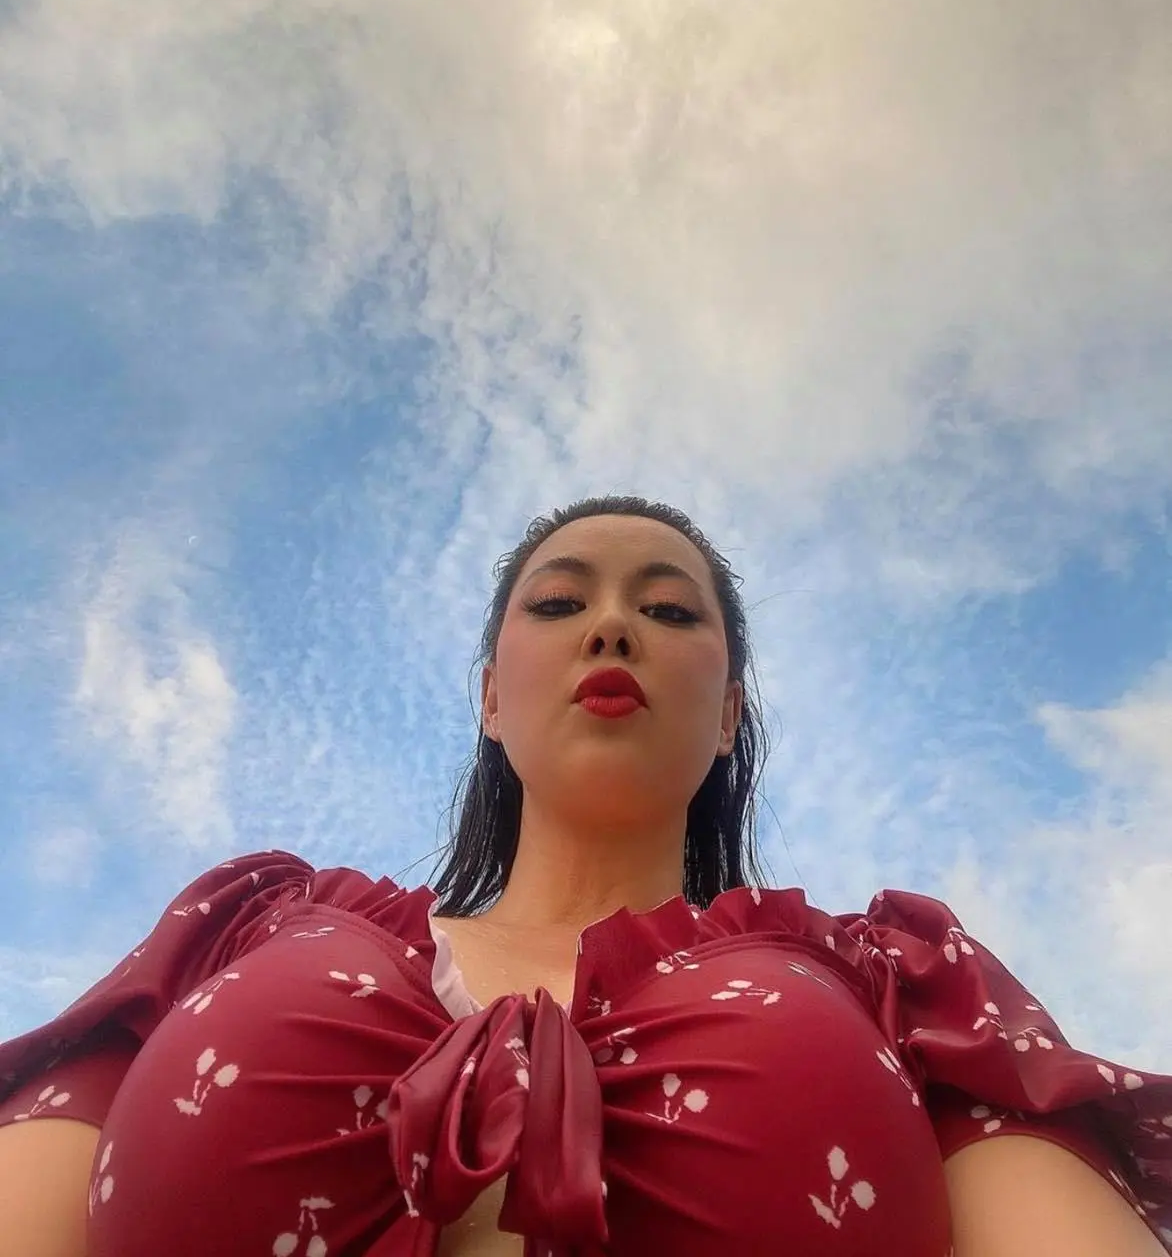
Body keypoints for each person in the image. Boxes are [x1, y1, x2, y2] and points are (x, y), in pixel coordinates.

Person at [1, 494, 1170, 1257]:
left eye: (667, 609)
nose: (611, 627)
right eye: (559, 602)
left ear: (728, 716)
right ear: (489, 698)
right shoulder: (245, 929)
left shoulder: (898, 987)